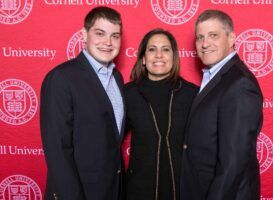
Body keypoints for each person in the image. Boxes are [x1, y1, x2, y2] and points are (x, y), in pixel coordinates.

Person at [40, 6, 125, 200]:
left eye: (115, 36)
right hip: (78, 193)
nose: (108, 42)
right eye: (100, 33)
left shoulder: (117, 79)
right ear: (84, 35)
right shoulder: (61, 78)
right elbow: (58, 150)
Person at [180, 9, 263, 200]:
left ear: (232, 38)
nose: (205, 43)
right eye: (200, 38)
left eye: (213, 35)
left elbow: (234, 163)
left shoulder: (239, 84)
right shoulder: (215, 76)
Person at [124, 28, 198, 200]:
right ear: (143, 58)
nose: (159, 55)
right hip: (139, 190)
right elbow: (109, 141)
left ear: (174, 57)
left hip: (184, 190)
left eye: (165, 49)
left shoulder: (193, 94)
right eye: (152, 49)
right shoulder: (127, 94)